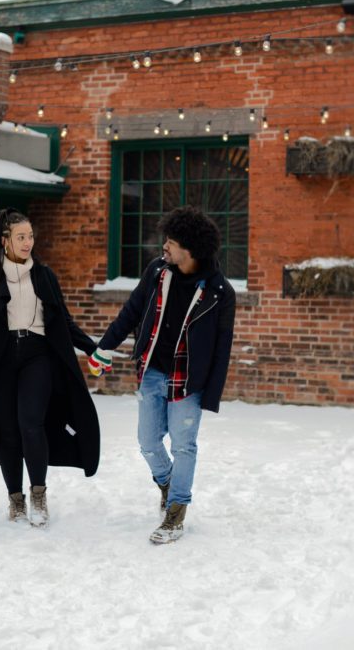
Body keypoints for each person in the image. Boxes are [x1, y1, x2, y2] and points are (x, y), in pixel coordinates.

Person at [0, 208, 101, 528]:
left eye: (30, 236)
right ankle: (16, 499)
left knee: (31, 423)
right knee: (9, 432)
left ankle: (38, 494)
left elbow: (64, 322)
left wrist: (92, 348)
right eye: (21, 237)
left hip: (36, 356)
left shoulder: (44, 276)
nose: (28, 242)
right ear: (5, 241)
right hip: (0, 362)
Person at [90, 205, 235, 545]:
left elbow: (221, 348)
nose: (164, 247)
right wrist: (105, 346)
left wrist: (211, 395)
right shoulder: (158, 271)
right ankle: (168, 483)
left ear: (191, 249)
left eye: (171, 242)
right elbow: (132, 310)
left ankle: (176, 511)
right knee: (148, 442)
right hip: (153, 372)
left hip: (188, 381)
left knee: (184, 446)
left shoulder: (219, 291)